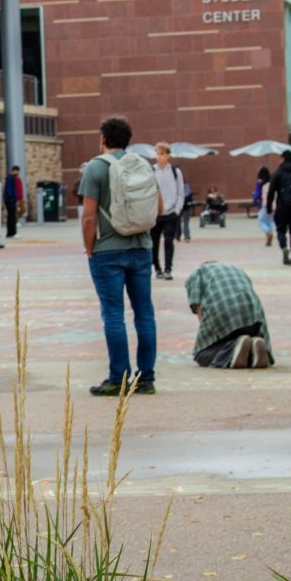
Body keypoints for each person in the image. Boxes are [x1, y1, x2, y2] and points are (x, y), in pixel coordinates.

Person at [78, 116, 160, 396]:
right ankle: (146, 378)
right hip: (142, 247)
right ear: (128, 140)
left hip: (108, 251)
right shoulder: (142, 165)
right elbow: (157, 206)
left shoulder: (95, 168)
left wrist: (89, 249)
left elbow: (89, 216)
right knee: (144, 313)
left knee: (113, 315)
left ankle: (118, 378)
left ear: (103, 138)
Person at [185, 261, 274, 369]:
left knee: (201, 354)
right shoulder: (237, 269)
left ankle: (233, 348)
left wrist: (208, 336)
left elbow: (197, 305)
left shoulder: (199, 273)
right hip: (253, 311)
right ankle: (253, 348)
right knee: (245, 337)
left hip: (224, 309)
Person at [150, 142, 185, 279]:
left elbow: (180, 193)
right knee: (154, 243)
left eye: (162, 153)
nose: (159, 156)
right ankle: (157, 268)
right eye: (157, 153)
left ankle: (168, 269)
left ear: (168, 155)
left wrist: (177, 210)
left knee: (169, 242)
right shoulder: (151, 171)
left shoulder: (176, 172)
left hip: (170, 213)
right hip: (155, 214)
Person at [254, 168, 275, 246]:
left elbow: (257, 193)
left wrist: (255, 200)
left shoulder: (260, 182)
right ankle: (269, 237)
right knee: (270, 221)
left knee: (261, 221)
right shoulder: (272, 182)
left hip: (265, 204)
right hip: (274, 205)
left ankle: (267, 232)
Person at [3, 165, 24, 238]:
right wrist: (12, 199)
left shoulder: (13, 179)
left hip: (10, 200)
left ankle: (11, 233)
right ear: (13, 171)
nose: (17, 172)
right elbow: (9, 191)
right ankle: (12, 233)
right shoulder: (11, 179)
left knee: (11, 217)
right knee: (12, 217)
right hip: (10, 201)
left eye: (17, 171)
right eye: (15, 171)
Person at [180, 177, 194, 242]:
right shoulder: (187, 187)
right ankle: (187, 236)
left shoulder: (176, 186)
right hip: (186, 207)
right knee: (186, 223)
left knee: (177, 222)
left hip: (179, 207)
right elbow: (190, 196)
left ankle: (178, 235)